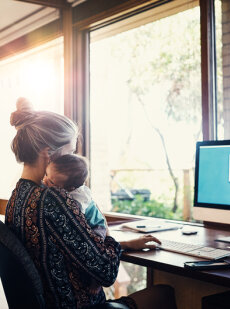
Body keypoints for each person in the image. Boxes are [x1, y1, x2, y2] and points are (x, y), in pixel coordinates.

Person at [6, 97, 177, 309]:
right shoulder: (52, 200)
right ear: (48, 154)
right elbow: (106, 273)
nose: (72, 160)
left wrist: (125, 245)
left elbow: (66, 248)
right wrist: (111, 240)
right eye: (69, 153)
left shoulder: (17, 197)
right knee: (163, 293)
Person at [43, 154, 106, 238]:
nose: (44, 180)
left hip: (96, 227)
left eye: (51, 182)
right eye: (46, 174)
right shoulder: (65, 189)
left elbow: (76, 218)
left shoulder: (78, 199)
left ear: (69, 188)